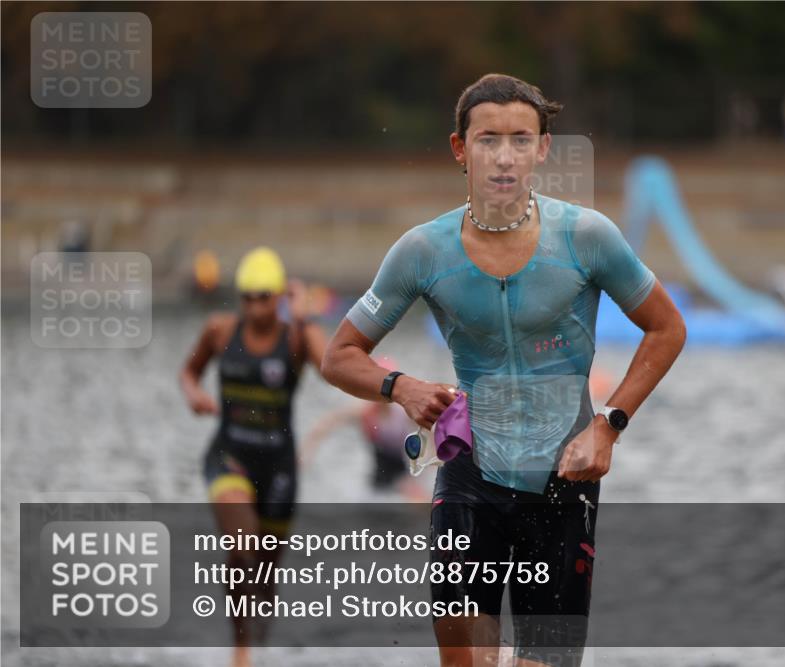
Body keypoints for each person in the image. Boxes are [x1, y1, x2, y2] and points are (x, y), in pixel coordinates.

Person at [321, 74, 686, 667]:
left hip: (563, 480)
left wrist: (608, 425)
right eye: (488, 140)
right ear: (460, 149)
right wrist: (401, 387)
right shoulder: (423, 251)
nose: (504, 157)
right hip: (470, 477)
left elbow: (667, 328)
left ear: (543, 148)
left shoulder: (587, 237)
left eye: (521, 139)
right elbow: (338, 355)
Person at [179, 246, 326, 667]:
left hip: (279, 467)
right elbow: (189, 372)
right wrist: (194, 394)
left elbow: (332, 366)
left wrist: (304, 317)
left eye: (263, 297)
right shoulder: (220, 331)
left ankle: (259, 640)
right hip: (230, 454)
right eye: (246, 297)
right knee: (242, 545)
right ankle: (240, 648)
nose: (254, 306)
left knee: (264, 573)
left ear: (279, 296)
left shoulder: (296, 336)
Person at [300, 356, 428, 501]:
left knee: (419, 501)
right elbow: (327, 423)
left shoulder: (404, 413)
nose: (383, 393)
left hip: (404, 474)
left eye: (387, 387)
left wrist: (428, 465)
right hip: (379, 476)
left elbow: (429, 435)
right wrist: (306, 453)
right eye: (378, 386)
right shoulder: (365, 413)